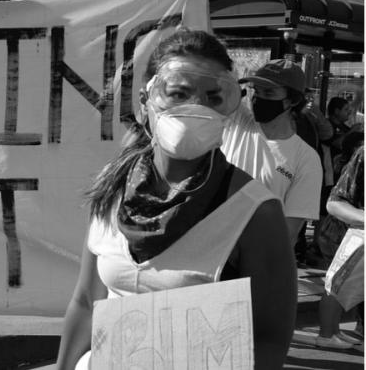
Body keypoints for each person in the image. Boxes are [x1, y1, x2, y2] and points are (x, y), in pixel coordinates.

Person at [54, 30, 295, 370]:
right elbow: (84, 302)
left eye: (214, 98)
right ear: (146, 100)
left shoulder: (254, 211)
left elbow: (269, 341)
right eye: (178, 93)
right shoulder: (112, 187)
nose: (195, 109)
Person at [221, 59, 323, 247]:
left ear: (292, 100)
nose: (257, 99)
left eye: (268, 92)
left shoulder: (306, 159)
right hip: (208, 250)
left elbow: (288, 233)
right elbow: (217, 78)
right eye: (255, 91)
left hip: (250, 260)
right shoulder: (238, 121)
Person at [315, 146, 364, 349]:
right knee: (336, 286)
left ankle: (332, 332)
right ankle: (327, 334)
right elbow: (335, 202)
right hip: (360, 234)